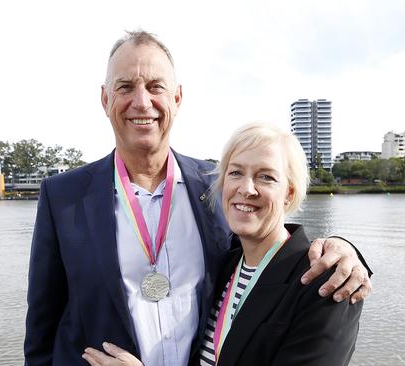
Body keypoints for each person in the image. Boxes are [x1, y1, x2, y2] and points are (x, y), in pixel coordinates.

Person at [25, 31, 372, 366]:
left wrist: (343, 246)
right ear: (105, 99)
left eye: (156, 87)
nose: (142, 101)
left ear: (177, 98)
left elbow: (268, 241)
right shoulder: (63, 197)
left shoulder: (216, 186)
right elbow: (42, 329)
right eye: (125, 86)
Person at [82, 123, 363, 366]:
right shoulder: (224, 265)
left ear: (289, 194)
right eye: (236, 173)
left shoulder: (326, 283)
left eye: (266, 176)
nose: (246, 188)